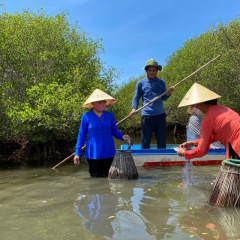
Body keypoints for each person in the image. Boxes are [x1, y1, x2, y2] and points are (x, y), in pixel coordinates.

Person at [74, 89, 129, 177]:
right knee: (95, 178)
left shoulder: (110, 115)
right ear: (93, 103)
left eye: (104, 101)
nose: (102, 104)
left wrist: (123, 137)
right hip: (93, 152)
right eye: (99, 102)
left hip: (108, 151)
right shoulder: (86, 116)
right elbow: (81, 135)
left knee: (109, 176)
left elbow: (114, 132)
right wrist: (77, 153)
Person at [176, 83, 240, 160]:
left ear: (200, 104)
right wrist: (194, 143)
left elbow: (201, 151)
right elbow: (215, 136)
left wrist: (184, 153)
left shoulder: (208, 119)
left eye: (195, 105)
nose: (196, 107)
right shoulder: (224, 109)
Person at [129, 59, 174, 149]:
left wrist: (168, 93)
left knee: (161, 141)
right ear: (146, 71)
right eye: (150, 70)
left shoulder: (161, 82)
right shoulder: (140, 83)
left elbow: (164, 98)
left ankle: (162, 159)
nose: (152, 72)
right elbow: (136, 97)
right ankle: (144, 158)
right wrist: (134, 108)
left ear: (157, 71)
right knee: (145, 141)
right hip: (147, 115)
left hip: (160, 115)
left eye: (154, 70)